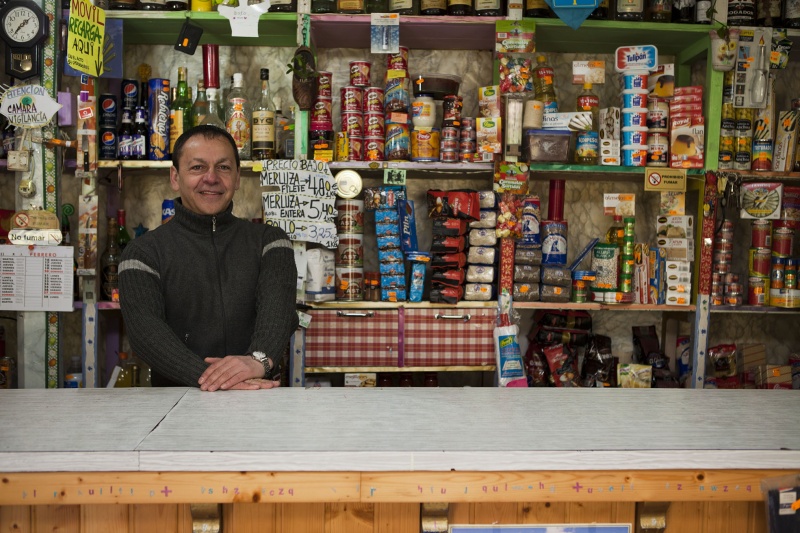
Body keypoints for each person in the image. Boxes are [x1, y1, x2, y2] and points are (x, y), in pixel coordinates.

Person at [119, 126, 298, 391]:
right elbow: (147, 335)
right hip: (176, 408)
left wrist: (256, 361)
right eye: (197, 168)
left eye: (224, 167)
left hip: (259, 402)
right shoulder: (142, 253)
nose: (211, 178)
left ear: (238, 178)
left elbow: (278, 312)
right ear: (175, 177)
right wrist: (218, 379)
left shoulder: (271, 242)